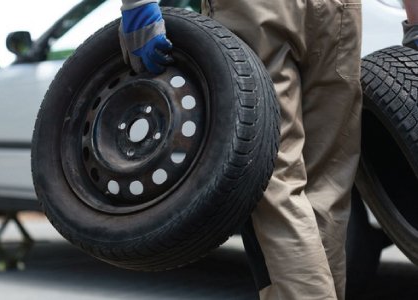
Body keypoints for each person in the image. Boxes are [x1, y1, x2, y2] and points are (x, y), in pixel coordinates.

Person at [118, 0, 418, 299]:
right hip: (338, 10)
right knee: (327, 184)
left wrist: (139, 8)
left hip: (256, 8)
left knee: (271, 177)